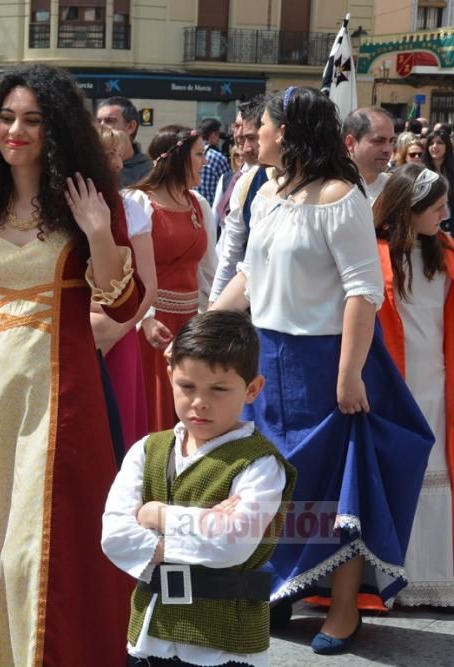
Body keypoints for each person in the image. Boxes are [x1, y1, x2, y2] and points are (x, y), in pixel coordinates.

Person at [0, 64, 142, 665]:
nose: (15, 130)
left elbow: (125, 301)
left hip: (68, 393)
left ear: (57, 129)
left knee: (48, 539)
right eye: (5, 117)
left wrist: (99, 232)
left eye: (31, 120)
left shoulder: (88, 200)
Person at [211, 86, 433, 654]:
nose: (251, 133)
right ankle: (279, 590)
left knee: (336, 488)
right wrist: (206, 326)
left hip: (327, 361)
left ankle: (341, 610)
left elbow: (363, 291)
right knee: (273, 486)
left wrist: (349, 373)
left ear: (284, 132)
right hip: (270, 359)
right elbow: (250, 277)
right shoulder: (267, 193)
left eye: (259, 125)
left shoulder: (342, 197)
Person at [102, 310, 296, 667]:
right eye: (187, 387)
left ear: (252, 389)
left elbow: (232, 543)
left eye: (219, 389)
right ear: (170, 376)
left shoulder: (260, 464)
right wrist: (205, 523)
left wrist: (156, 515)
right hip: (149, 636)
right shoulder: (147, 451)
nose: (199, 403)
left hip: (226, 643)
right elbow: (114, 535)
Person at [374, 163, 454, 607]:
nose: (445, 212)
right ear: (411, 209)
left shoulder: (446, 252)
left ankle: (436, 577)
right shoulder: (377, 253)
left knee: (438, 471)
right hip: (397, 382)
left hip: (439, 381)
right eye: (437, 205)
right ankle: (395, 580)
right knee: (404, 474)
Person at [127, 125, 216, 433]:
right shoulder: (139, 203)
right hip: (152, 327)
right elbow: (130, 269)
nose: (205, 160)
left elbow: (208, 271)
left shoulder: (199, 205)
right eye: (199, 154)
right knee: (154, 410)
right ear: (178, 157)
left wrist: (208, 319)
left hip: (191, 325)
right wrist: (146, 318)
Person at [92, 126, 156, 450]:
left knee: (119, 438)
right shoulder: (57, 210)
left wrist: (117, 328)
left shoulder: (133, 210)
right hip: (74, 335)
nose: (117, 163)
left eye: (117, 154)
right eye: (109, 154)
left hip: (119, 336)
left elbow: (148, 287)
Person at [209, 97, 271, 304]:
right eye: (238, 131)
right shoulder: (245, 182)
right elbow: (231, 250)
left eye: (253, 138)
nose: (245, 147)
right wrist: (215, 300)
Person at [212, 97, 264, 231]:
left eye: (250, 136)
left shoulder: (269, 179)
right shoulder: (227, 180)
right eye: (237, 126)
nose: (240, 134)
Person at [343, 107, 395, 203]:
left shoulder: (396, 189)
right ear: (350, 143)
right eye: (378, 141)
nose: (387, 149)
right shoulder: (331, 192)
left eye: (391, 141)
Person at [97, 96, 152, 187]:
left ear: (130, 127)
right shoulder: (89, 165)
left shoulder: (150, 172)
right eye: (98, 121)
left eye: (109, 120)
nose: (101, 126)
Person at [196, 118, 232, 204]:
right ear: (213, 135)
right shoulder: (218, 158)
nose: (219, 139)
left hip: (192, 207)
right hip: (210, 209)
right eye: (218, 135)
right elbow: (228, 187)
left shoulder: (189, 153)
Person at [426, 129, 454, 234]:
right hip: (428, 224)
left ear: (447, 146)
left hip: (449, 223)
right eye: (431, 143)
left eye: (440, 143)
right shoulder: (421, 171)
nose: (434, 146)